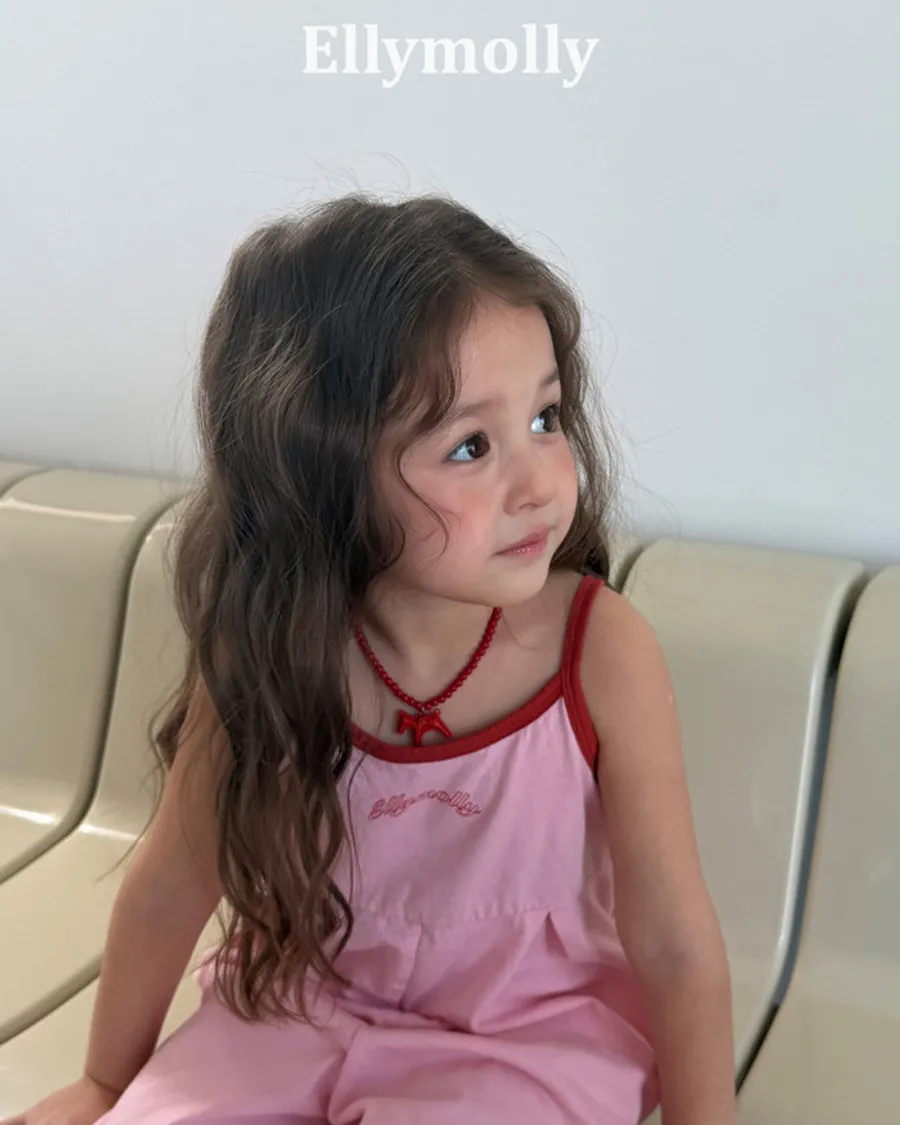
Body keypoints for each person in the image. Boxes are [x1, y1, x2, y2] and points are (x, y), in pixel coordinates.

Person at [7, 194, 736, 1125]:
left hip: (522, 1038)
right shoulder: (272, 649)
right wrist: (106, 1082)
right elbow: (172, 883)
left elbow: (672, 937)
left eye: (546, 416)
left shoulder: (600, 651)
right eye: (470, 445)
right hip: (295, 1013)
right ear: (327, 470)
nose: (539, 481)